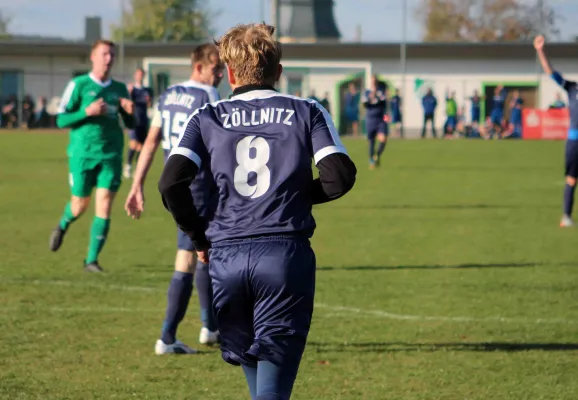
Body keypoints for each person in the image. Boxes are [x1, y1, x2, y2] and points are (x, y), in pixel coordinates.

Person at [158, 23, 356, 400]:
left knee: (260, 388)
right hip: (282, 257)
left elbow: (169, 183)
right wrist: (293, 196)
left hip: (226, 258)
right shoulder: (306, 110)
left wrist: (199, 237)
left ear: (230, 73)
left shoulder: (207, 116)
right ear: (278, 71)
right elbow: (339, 176)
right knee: (272, 392)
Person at [125, 44, 224, 354]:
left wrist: (137, 184)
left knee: (204, 252)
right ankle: (167, 337)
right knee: (189, 257)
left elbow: (151, 141)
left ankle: (210, 327)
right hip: (199, 186)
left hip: (174, 184)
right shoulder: (207, 96)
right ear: (199, 67)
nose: (220, 75)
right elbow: (220, 145)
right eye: (216, 69)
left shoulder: (168, 95)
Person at [49, 39, 134, 272]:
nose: (109, 59)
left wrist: (130, 113)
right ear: (93, 57)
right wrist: (87, 111)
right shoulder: (79, 84)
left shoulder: (120, 89)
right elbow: (60, 119)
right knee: (79, 205)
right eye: (105, 54)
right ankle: (64, 223)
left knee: (104, 204)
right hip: (82, 155)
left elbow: (131, 123)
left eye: (112, 55)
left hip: (111, 155)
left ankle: (91, 261)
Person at [534, 35, 578, 227]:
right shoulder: (571, 88)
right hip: (575, 142)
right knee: (571, 179)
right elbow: (550, 71)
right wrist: (540, 51)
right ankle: (566, 217)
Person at [124, 68, 153, 178]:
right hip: (133, 120)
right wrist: (129, 93)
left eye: (141, 74)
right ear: (135, 76)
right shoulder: (132, 89)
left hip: (144, 120)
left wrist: (149, 100)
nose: (140, 76)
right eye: (138, 74)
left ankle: (137, 167)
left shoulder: (147, 90)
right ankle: (128, 165)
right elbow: (128, 103)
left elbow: (149, 105)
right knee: (134, 143)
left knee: (141, 146)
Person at [363, 76, 388, 168]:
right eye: (372, 81)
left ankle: (376, 155)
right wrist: (372, 97)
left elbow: (383, 102)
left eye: (374, 81)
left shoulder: (381, 92)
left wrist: (376, 96)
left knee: (383, 139)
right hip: (370, 119)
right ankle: (371, 161)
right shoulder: (366, 92)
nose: (373, 83)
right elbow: (365, 104)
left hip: (380, 119)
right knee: (371, 141)